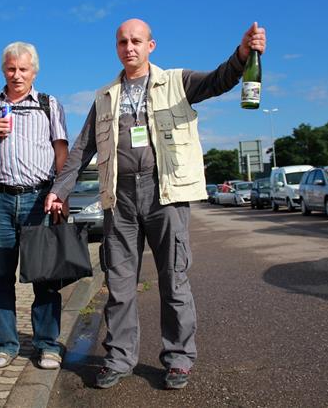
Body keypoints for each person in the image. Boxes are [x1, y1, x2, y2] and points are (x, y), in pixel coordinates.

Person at [45, 19, 266, 390]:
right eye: (122, 42)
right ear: (116, 47)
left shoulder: (176, 82)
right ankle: (118, 358)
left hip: (166, 194)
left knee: (174, 280)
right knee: (120, 282)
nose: (128, 47)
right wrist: (60, 188)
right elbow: (82, 148)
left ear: (151, 45)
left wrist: (243, 54)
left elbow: (219, 80)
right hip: (120, 196)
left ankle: (179, 359)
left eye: (136, 41)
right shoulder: (104, 96)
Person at [0, 41, 69, 371]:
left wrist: (60, 193)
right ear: (3, 70)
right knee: (1, 276)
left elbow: (61, 151)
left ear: (34, 71)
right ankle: (6, 343)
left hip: (38, 199)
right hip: (0, 200)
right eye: (11, 69)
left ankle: (47, 344)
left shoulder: (48, 104)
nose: (17, 75)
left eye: (23, 69)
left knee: (44, 276)